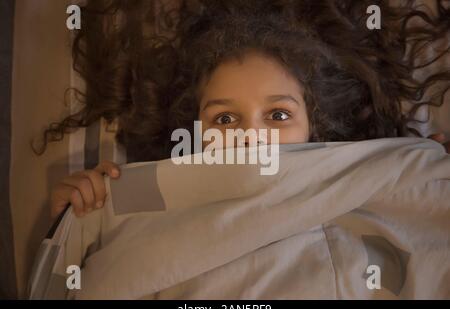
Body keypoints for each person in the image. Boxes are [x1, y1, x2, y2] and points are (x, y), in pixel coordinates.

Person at [38, 0, 449, 218]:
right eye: (225, 118)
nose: (251, 139)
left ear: (316, 127)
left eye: (278, 115)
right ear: (195, 134)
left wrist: (425, 177)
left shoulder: (368, 188)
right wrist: (72, 220)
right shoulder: (150, 206)